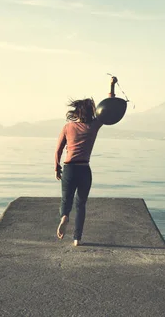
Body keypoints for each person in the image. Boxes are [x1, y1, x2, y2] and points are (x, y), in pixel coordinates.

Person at [54, 76, 117, 246]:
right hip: (84, 169)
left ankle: (65, 217)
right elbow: (109, 109)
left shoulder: (67, 127)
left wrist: (56, 167)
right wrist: (111, 85)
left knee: (65, 200)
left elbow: (59, 149)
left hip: (69, 168)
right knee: (81, 204)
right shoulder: (93, 126)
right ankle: (77, 238)